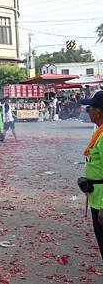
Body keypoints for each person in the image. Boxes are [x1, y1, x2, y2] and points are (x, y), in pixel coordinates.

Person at [81, 91, 103, 260]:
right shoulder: (99, 133)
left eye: (89, 108)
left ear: (99, 112)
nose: (87, 112)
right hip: (96, 195)